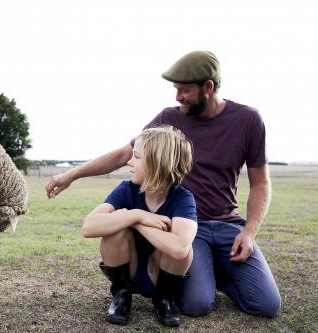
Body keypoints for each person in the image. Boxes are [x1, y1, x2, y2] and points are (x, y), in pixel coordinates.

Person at [46, 51, 281, 318]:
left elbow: (260, 182)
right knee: (196, 305)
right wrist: (72, 175)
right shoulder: (168, 119)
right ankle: (199, 275)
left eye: (184, 90)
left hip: (228, 224)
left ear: (209, 87)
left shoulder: (248, 120)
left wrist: (249, 232)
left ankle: (216, 273)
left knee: (267, 306)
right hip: (189, 226)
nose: (177, 97)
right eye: (175, 89)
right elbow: (126, 154)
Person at [82, 126, 197, 327]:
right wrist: (136, 215)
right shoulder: (126, 189)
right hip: (129, 270)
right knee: (113, 232)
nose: (129, 162)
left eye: (136, 156)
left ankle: (164, 299)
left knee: (185, 248)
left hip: (160, 274)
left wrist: (135, 222)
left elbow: (180, 249)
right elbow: (89, 227)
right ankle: (121, 295)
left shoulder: (182, 198)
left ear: (157, 162)